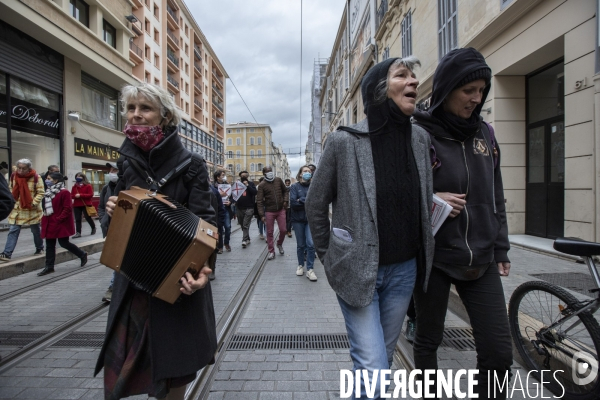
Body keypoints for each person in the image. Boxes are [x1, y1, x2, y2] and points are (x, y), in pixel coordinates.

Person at [305, 56, 434, 399]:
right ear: (379, 89)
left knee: (380, 360)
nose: (413, 82)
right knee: (376, 370)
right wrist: (328, 256)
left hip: (404, 271)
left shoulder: (419, 138)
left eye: (414, 76)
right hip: (357, 269)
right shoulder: (343, 142)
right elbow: (315, 204)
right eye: (402, 76)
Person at [94, 82, 217, 400]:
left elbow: (208, 225)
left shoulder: (191, 165)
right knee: (133, 370)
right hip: (133, 282)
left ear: (163, 116)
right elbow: (110, 227)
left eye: (145, 108)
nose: (136, 115)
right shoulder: (125, 162)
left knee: (173, 374)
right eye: (131, 108)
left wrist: (202, 273)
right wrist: (110, 212)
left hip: (175, 284)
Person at [411, 47, 512, 399]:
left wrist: (501, 246)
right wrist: (432, 200)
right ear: (448, 87)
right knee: (427, 341)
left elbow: (494, 194)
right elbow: (398, 195)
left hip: (481, 260)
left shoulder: (486, 134)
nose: (476, 98)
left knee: (499, 352)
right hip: (435, 257)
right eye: (468, 90)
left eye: (481, 90)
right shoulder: (419, 134)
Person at [38, 172, 87, 276]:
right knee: (50, 245)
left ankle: (82, 254)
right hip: (49, 222)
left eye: (49, 179)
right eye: (47, 178)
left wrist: (59, 219)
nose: (47, 180)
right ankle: (49, 266)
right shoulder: (48, 192)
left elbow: (67, 208)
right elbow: (45, 207)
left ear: (56, 180)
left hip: (60, 222)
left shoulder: (64, 192)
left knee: (64, 243)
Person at [0, 159, 45, 262]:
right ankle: (7, 253)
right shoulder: (13, 176)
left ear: (28, 168)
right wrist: (11, 201)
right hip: (17, 208)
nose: (20, 170)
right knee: (13, 230)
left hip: (31, 209)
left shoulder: (36, 177)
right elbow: (10, 189)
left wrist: (33, 203)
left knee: (35, 230)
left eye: (23, 168)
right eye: (19, 168)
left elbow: (41, 192)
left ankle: (40, 248)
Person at [289, 165, 316, 281]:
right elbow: (293, 203)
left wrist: (301, 200)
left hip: (310, 219)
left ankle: (310, 269)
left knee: (311, 244)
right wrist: (307, 200)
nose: (307, 173)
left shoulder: (314, 186)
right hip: (298, 220)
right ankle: (300, 265)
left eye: (309, 171)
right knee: (300, 245)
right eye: (305, 171)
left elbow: (316, 202)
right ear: (300, 174)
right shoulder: (294, 186)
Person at [256, 166, 288, 260]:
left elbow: (285, 191)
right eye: (267, 171)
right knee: (269, 232)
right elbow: (259, 201)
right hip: (269, 211)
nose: (269, 172)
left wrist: (285, 201)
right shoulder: (262, 185)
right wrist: (261, 215)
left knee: (283, 230)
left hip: (281, 209)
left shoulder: (278, 180)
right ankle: (271, 251)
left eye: (270, 171)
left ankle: (279, 244)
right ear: (264, 174)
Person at [99, 162, 119, 302]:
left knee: (118, 260)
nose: (112, 172)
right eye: (111, 170)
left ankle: (113, 288)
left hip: (122, 230)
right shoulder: (106, 189)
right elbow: (101, 207)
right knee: (115, 260)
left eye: (115, 170)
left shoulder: (128, 187)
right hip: (109, 229)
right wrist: (103, 220)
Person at [70, 172, 96, 238]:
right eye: (77, 176)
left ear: (83, 177)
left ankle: (93, 227)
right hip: (77, 204)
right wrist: (75, 196)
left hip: (86, 204)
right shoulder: (74, 186)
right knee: (78, 219)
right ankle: (78, 233)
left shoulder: (88, 185)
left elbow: (90, 195)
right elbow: (71, 195)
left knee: (88, 217)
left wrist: (80, 195)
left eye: (79, 176)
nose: (78, 178)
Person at [235, 170, 257, 248]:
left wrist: (247, 185)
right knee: (242, 224)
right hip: (239, 207)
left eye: (245, 175)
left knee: (245, 224)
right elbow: (233, 193)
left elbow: (254, 192)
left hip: (249, 207)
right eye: (242, 175)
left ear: (247, 176)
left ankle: (244, 240)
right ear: (240, 176)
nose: (244, 177)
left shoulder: (251, 184)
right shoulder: (237, 184)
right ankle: (247, 238)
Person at [213, 170, 232, 253]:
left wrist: (230, 201)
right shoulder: (213, 186)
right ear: (217, 177)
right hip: (217, 209)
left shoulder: (227, 185)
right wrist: (218, 195)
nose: (224, 176)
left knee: (227, 227)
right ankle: (220, 246)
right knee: (219, 228)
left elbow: (232, 196)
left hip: (226, 208)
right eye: (222, 175)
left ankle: (226, 243)